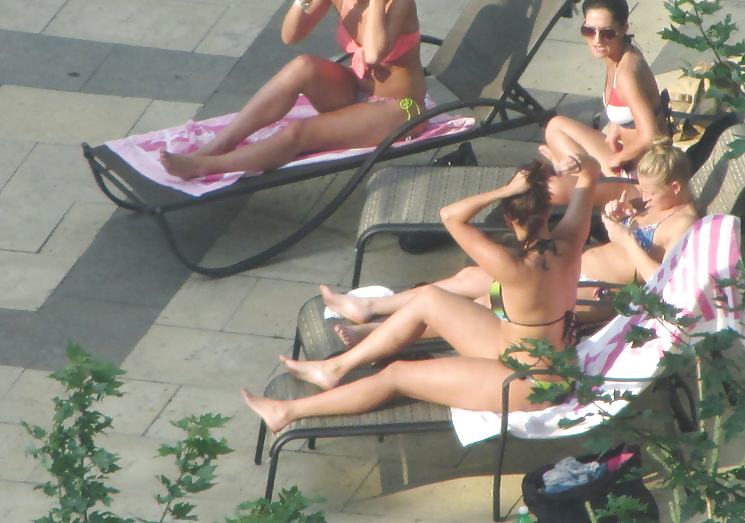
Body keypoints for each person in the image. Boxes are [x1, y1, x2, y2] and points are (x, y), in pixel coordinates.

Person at [241, 151, 603, 433]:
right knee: (429, 298)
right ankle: (335, 367)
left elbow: (450, 216)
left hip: (529, 383)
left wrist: (505, 190)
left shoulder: (513, 268)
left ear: (509, 218)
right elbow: (592, 174)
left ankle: (287, 411)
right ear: (549, 210)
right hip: (531, 354)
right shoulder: (570, 242)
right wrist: (581, 164)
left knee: (398, 374)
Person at [321, 137, 699, 337]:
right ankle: (370, 308)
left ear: (677, 186)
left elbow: (661, 285)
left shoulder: (683, 224)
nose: (643, 195)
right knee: (469, 278)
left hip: (595, 292)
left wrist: (626, 238)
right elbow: (597, 183)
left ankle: (377, 332)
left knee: (490, 304)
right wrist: (621, 218)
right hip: (573, 268)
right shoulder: (658, 205)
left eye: (650, 191)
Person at [160, 0, 426, 180]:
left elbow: (373, 55)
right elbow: (291, 36)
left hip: (401, 108)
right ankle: (219, 145)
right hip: (354, 92)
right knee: (302, 66)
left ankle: (207, 167)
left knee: (299, 131)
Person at [543, 0, 670, 207]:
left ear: (623, 29)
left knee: (549, 192)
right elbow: (631, 108)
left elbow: (652, 136)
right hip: (627, 162)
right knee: (556, 126)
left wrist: (616, 159)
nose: (597, 39)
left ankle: (583, 177)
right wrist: (615, 127)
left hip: (643, 178)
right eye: (589, 31)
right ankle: (582, 175)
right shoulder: (617, 55)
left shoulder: (626, 72)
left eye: (607, 33)